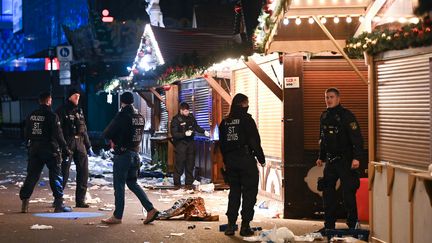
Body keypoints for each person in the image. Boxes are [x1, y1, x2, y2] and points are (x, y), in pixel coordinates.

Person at [101, 91, 159, 224]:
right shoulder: (139, 116)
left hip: (123, 155)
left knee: (119, 185)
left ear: (122, 102)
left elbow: (107, 133)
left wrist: (114, 140)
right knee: (132, 183)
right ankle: (150, 209)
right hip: (135, 155)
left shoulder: (122, 115)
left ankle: (117, 216)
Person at [316, 87, 363, 231]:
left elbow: (357, 139)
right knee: (328, 194)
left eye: (331, 97)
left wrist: (357, 158)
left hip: (346, 160)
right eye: (326, 97)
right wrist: (321, 157)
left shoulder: (347, 116)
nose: (328, 100)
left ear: (338, 98)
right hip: (331, 162)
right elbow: (323, 139)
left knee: (348, 194)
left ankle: (353, 225)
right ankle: (329, 226)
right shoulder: (324, 116)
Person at [219, 93, 266, 236]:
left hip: (231, 161)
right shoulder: (247, 120)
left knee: (234, 193)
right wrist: (261, 158)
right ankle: (245, 226)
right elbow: (254, 141)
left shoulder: (225, 122)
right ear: (243, 104)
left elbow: (222, 145)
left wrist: (226, 162)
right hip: (246, 161)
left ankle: (231, 225)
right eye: (247, 103)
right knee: (249, 193)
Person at [20, 92, 72, 213]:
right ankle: (59, 204)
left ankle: (25, 203)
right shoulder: (52, 116)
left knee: (32, 175)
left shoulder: (31, 115)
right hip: (50, 149)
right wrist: (66, 149)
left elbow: (26, 133)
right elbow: (58, 135)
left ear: (39, 101)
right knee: (55, 176)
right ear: (49, 101)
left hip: (34, 149)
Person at [56, 88, 91, 208]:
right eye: (75, 96)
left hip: (80, 143)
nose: (77, 98)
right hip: (68, 142)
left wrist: (88, 145)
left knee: (83, 172)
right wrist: (62, 145)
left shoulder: (79, 110)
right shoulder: (62, 110)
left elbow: (84, 128)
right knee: (63, 173)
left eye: (79, 96)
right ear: (70, 97)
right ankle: (58, 199)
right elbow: (58, 130)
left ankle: (80, 201)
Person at [170, 102, 209, 187]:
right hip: (181, 145)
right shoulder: (176, 119)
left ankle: (188, 184)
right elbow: (174, 134)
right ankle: (177, 185)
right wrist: (184, 134)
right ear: (181, 110)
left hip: (191, 144)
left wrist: (203, 131)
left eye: (188, 111)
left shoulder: (191, 117)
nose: (187, 113)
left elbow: (196, 127)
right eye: (185, 111)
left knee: (190, 165)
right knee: (179, 166)